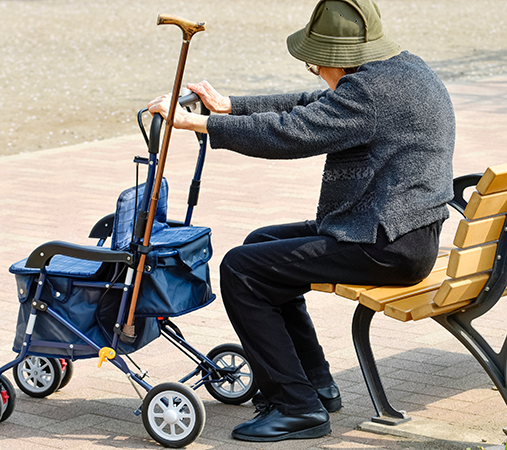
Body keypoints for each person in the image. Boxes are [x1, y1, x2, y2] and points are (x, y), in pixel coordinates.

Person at [148, 0, 454, 442]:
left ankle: (298, 407)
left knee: (242, 269)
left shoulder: (368, 94)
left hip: (385, 244)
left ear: (338, 60)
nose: (317, 74)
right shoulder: (405, 69)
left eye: (316, 66)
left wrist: (200, 125)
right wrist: (230, 106)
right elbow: (315, 105)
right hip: (399, 232)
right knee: (260, 245)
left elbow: (292, 132)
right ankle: (315, 383)